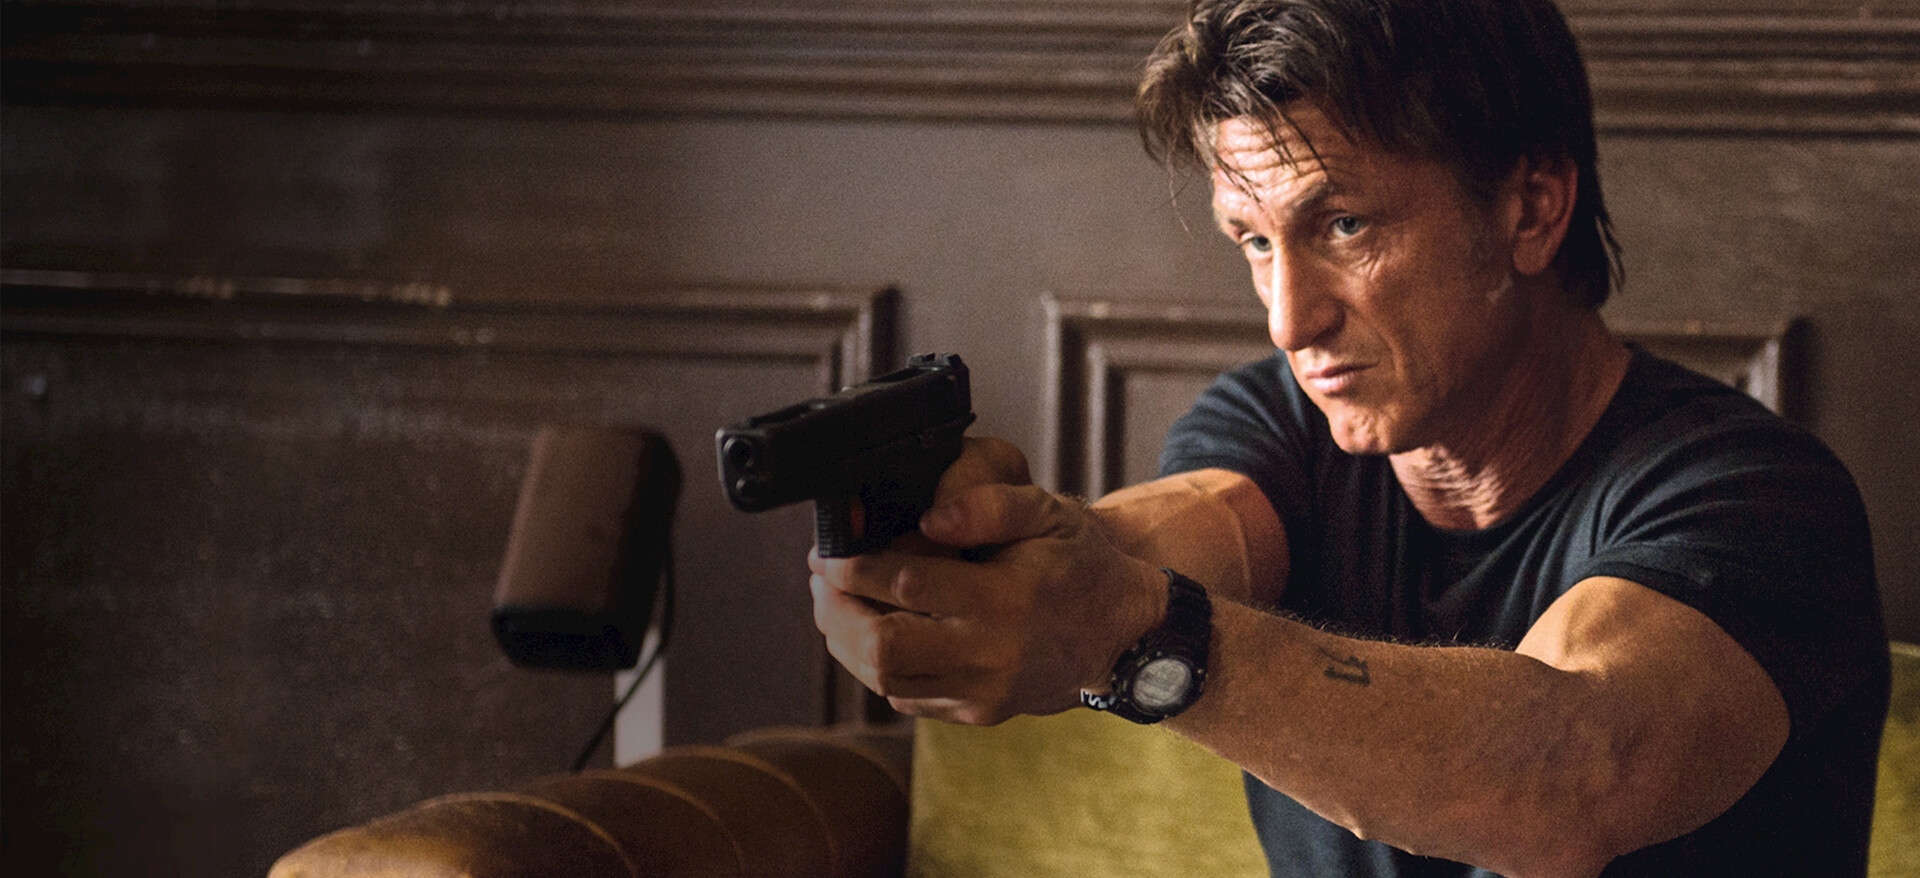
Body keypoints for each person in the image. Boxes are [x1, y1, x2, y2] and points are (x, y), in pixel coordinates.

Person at [807, 0, 1890, 874]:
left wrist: (1141, 631)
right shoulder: (1280, 423)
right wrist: (996, 550)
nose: (1290, 321)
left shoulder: (1757, 496)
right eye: (1252, 241)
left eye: (1344, 224)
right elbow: (1171, 533)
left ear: (1531, 207)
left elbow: (1566, 775)